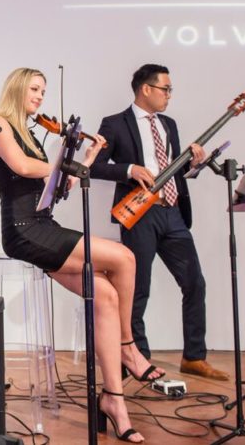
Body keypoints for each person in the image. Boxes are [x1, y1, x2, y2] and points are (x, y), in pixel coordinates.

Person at [0, 67, 158, 443]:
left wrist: (88, 156)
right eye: (34, 89)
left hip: (44, 226)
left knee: (106, 296)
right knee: (125, 258)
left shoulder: (30, 133)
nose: (39, 96)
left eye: (43, 91)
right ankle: (129, 347)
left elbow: (62, 185)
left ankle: (114, 401)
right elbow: (23, 167)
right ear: (17, 88)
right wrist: (64, 165)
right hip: (24, 231)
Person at [90, 64, 229, 382]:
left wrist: (193, 165)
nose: (169, 95)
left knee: (194, 283)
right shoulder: (115, 123)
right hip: (140, 213)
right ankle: (137, 357)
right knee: (137, 289)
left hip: (173, 212)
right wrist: (129, 170)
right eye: (165, 89)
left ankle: (194, 357)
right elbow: (94, 166)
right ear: (146, 89)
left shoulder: (169, 124)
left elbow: (175, 171)